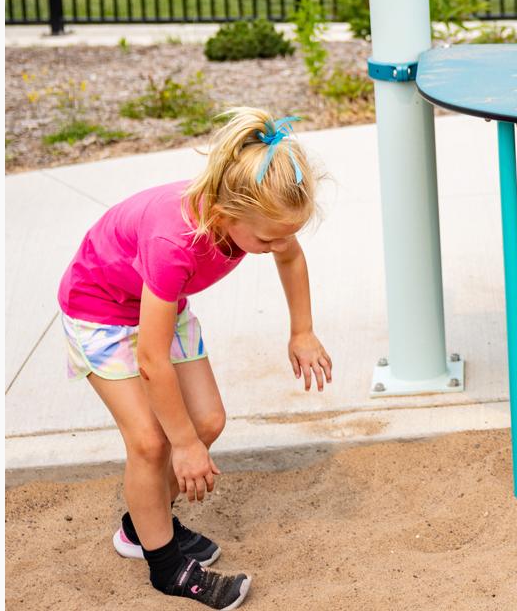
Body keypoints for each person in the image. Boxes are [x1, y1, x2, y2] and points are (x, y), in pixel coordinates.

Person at [56, 108, 333, 609]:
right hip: (99, 312)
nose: (275, 246)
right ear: (227, 214)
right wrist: (183, 446)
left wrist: (303, 331)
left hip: (158, 305)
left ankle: (141, 527)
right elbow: (151, 360)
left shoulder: (257, 219)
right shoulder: (173, 241)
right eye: (265, 238)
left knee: (207, 418)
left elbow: (290, 255)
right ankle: (166, 568)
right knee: (152, 442)